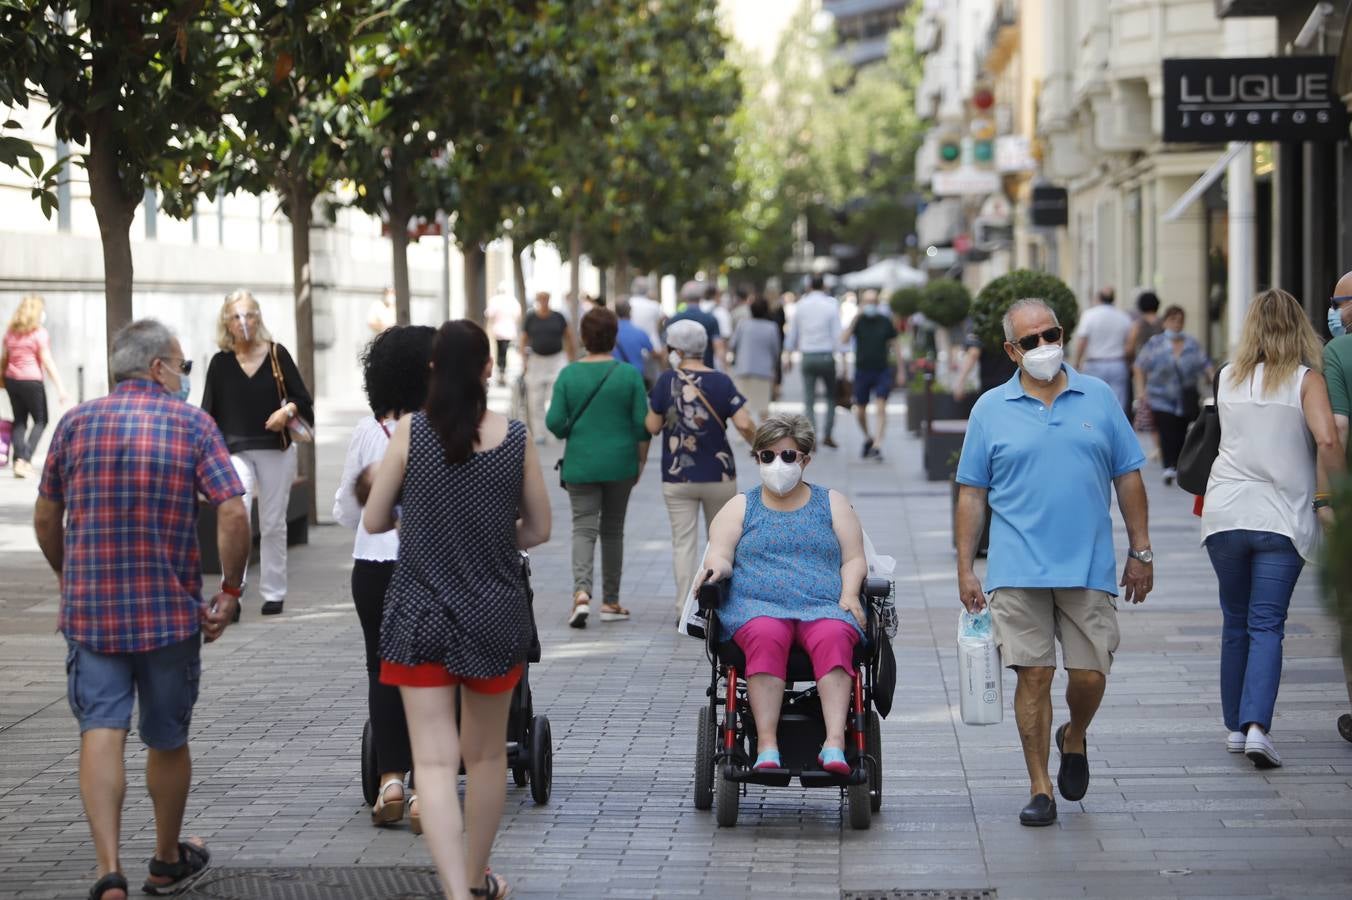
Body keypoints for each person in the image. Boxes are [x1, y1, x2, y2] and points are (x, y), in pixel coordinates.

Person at [33, 319, 250, 900]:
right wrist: (229, 592)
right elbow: (232, 511)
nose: (184, 376)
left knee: (100, 730)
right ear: (157, 367)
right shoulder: (192, 425)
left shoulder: (75, 423)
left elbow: (46, 516)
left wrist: (67, 576)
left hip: (92, 614)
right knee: (166, 737)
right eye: (182, 365)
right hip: (168, 615)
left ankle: (109, 871)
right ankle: (164, 858)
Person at [363, 320, 549, 900]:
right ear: (488, 369)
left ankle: (455, 893)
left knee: (435, 765)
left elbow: (372, 519)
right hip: (494, 612)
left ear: (433, 370)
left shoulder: (409, 434)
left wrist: (422, 527)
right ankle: (474, 875)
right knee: (488, 756)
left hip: (419, 612)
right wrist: (489, 535)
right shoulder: (514, 439)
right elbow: (539, 528)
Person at [955, 298, 1152, 827]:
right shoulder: (990, 409)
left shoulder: (1100, 396)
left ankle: (1075, 733)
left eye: (1052, 334)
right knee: (1034, 675)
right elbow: (972, 493)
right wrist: (965, 568)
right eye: (1031, 340)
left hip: (1088, 565)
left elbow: (1129, 475)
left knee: (1090, 674)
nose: (1045, 347)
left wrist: (1141, 550)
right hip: (1017, 567)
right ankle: (1040, 787)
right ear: (1011, 350)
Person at [1202, 289, 1345, 769]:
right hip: (1281, 517)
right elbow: (1328, 436)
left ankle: (1235, 728)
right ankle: (1258, 726)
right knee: (1266, 623)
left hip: (1225, 515)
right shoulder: (1306, 380)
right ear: (1300, 327)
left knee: (1234, 621)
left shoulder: (1226, 377)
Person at [699, 414, 868, 773]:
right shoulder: (741, 506)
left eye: (789, 456)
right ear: (757, 458)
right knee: (765, 633)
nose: (779, 464)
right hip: (756, 606)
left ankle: (835, 743)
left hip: (822, 605)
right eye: (767, 456)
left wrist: (851, 594)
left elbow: (853, 558)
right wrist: (715, 569)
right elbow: (720, 553)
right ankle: (767, 746)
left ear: (805, 459)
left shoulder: (832, 503)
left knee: (836, 633)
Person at [334, 324, 436, 828]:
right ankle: (424, 789)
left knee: (383, 669)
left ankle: (390, 780)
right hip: (434, 568)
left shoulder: (366, 431)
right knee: (434, 672)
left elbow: (345, 512)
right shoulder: (447, 429)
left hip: (373, 568)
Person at [201, 289, 314, 617]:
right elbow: (208, 411)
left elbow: (303, 399)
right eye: (236, 316)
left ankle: (274, 592)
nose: (243, 322)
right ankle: (231, 592)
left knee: (273, 521)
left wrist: (287, 412)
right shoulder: (220, 362)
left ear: (258, 317)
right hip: (234, 450)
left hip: (274, 448)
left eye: (249, 314)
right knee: (236, 517)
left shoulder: (277, 354)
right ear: (226, 321)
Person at [548, 308, 650, 628]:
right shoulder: (629, 374)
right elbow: (642, 426)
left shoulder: (568, 375)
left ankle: (581, 594)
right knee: (613, 530)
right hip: (621, 463)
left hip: (580, 463)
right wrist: (641, 461)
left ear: (583, 337)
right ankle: (611, 600)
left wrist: (570, 430)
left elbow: (554, 423)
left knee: (582, 528)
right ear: (614, 337)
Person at [646, 320, 756, 618]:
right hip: (719, 474)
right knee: (721, 540)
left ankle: (685, 606)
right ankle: (716, 604)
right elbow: (744, 422)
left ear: (677, 350)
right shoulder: (721, 381)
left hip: (677, 475)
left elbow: (652, 426)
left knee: (683, 542)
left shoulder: (666, 380)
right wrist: (759, 447)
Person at [1133, 305, 1213, 485]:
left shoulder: (1192, 344)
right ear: (1165, 321)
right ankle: (1169, 465)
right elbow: (1140, 366)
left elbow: (1206, 364)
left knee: (1181, 430)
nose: (1177, 324)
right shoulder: (1156, 343)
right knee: (1166, 430)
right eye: (1173, 320)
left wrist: (1214, 377)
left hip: (1186, 396)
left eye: (1180, 320)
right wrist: (1141, 391)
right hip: (1160, 396)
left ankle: (1176, 464)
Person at [1324, 271, 1352, 744]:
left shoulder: (1338, 352)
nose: (1331, 310)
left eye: (1337, 301)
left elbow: (1338, 430)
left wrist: (1327, 498)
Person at [2, 294, 68, 478]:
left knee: (20, 420)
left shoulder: (10, 333)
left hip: (12, 380)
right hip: (31, 381)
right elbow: (46, 360)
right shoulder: (39, 333)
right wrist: (61, 388)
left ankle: (18, 461)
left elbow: (5, 357)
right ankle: (25, 459)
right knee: (41, 420)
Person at [841, 289, 900, 459]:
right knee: (860, 410)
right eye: (867, 302)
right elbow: (843, 340)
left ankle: (877, 444)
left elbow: (896, 346)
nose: (871, 305)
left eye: (873, 302)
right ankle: (868, 437)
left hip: (882, 369)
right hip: (862, 370)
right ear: (862, 303)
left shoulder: (885, 321)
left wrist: (901, 370)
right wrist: (855, 318)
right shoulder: (858, 321)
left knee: (881, 406)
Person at [785, 274, 842, 448]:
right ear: (824, 286)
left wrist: (788, 354)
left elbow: (793, 333)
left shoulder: (801, 306)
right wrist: (844, 359)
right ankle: (828, 434)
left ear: (809, 286)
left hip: (808, 355)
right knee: (831, 397)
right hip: (826, 355)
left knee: (809, 399)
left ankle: (812, 437)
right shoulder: (831, 305)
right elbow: (837, 335)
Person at [521, 291, 575, 444]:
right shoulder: (531, 318)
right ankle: (539, 433)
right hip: (537, 360)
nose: (543, 301)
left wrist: (570, 357)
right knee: (535, 398)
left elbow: (569, 336)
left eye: (546, 298)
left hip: (556, 359)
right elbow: (524, 339)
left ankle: (553, 431)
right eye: (541, 299)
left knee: (555, 396)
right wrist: (524, 360)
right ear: (537, 300)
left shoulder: (558, 316)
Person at [1073, 286, 1133, 412]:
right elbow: (1129, 344)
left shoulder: (1089, 315)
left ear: (1098, 298)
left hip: (1094, 363)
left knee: (1093, 400)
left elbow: (1082, 340)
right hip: (1117, 363)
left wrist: (1077, 361)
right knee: (1118, 403)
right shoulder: (1123, 316)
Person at [729, 297, 781, 424]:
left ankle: (743, 433)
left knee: (743, 405)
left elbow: (733, 344)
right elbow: (776, 350)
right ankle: (764, 434)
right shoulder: (772, 327)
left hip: (744, 369)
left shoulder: (743, 325)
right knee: (763, 407)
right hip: (763, 371)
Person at [1125, 291, 1165, 454]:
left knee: (1150, 406)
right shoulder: (1163, 323)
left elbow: (1129, 348)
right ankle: (1163, 442)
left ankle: (1158, 445)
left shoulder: (1138, 324)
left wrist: (1130, 361)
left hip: (1145, 371)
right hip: (1163, 369)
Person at [668, 280, 725, 370]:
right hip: (706, 370)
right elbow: (718, 348)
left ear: (683, 296)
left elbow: (667, 349)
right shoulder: (710, 319)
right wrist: (723, 370)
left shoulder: (674, 319)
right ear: (701, 295)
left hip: (680, 373)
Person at [485, 282, 521, 387]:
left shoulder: (495, 300)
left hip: (498, 330)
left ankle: (501, 371)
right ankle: (502, 372)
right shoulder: (512, 301)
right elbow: (518, 315)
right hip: (509, 330)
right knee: (504, 352)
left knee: (500, 351)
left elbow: (489, 314)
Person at [612, 299, 656, 387]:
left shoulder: (610, 332)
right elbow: (654, 354)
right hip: (636, 376)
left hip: (614, 376)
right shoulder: (639, 332)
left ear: (615, 312)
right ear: (630, 311)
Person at [627, 277, 665, 351]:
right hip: (653, 346)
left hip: (632, 345)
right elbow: (662, 322)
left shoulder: (627, 303)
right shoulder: (655, 306)